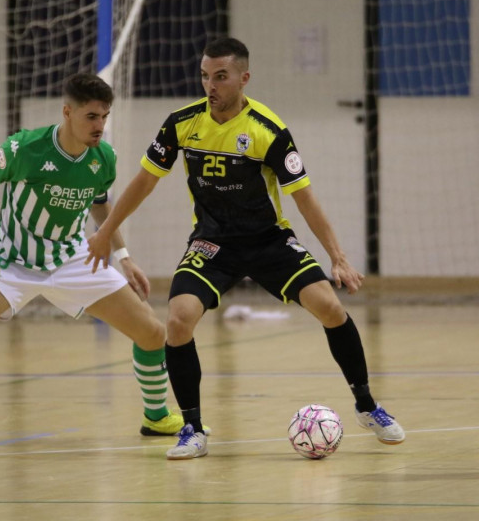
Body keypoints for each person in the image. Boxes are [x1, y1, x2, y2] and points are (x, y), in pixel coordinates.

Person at [86, 37, 405, 459]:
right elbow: (143, 181)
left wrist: (338, 257)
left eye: (220, 76)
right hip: (212, 242)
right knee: (179, 320)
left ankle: (367, 406)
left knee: (329, 306)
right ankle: (192, 430)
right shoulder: (181, 124)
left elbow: (304, 197)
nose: (210, 85)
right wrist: (107, 231)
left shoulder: (267, 131)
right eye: (205, 76)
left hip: (269, 240)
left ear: (243, 78)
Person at [0, 73, 198, 446]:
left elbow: (99, 205)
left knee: (152, 331)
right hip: (9, 261)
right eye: (91, 117)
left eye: (104, 117)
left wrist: (124, 256)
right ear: (68, 112)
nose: (100, 126)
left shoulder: (103, 158)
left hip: (70, 258)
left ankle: (157, 416)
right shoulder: (24, 148)